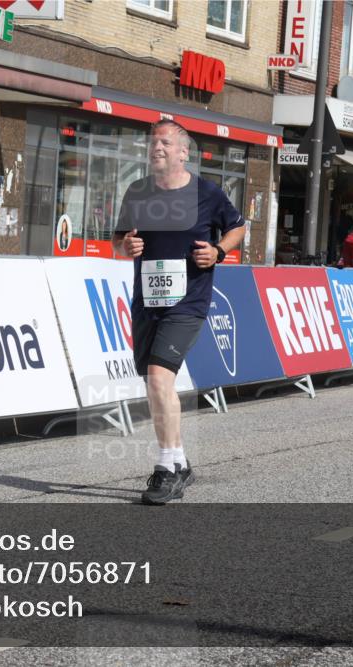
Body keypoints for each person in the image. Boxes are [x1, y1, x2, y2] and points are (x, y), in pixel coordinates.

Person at [112, 119, 245, 505]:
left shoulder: (207, 193)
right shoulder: (137, 192)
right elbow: (119, 241)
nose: (157, 148)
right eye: (153, 143)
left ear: (184, 152)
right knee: (155, 385)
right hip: (147, 301)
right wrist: (127, 247)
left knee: (157, 377)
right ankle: (180, 460)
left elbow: (238, 228)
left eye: (166, 143)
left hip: (188, 302)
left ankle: (167, 468)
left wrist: (219, 251)